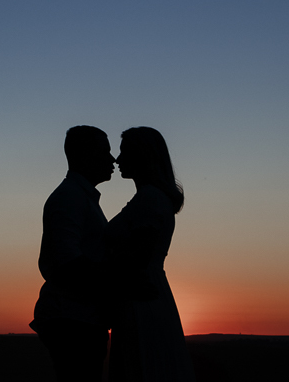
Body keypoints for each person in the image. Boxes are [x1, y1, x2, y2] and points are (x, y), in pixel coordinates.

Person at [106, 127, 195, 382]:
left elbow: (136, 257)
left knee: (142, 366)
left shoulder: (150, 199)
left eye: (125, 153)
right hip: (143, 292)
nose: (117, 160)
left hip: (140, 295)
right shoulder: (150, 198)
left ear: (143, 156)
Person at [31, 125, 116, 382]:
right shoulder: (70, 198)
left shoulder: (78, 197)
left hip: (80, 318)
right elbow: (65, 262)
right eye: (105, 152)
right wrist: (116, 287)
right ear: (84, 155)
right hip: (74, 321)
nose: (112, 160)